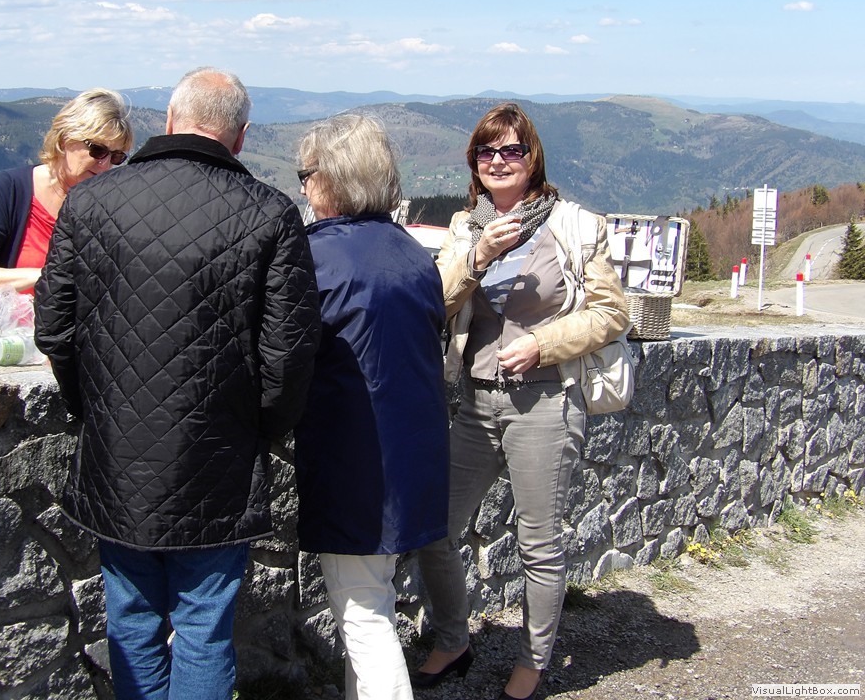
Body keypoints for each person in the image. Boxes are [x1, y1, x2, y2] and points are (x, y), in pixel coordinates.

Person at [32, 67, 321, 700]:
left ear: (167, 120)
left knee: (131, 620)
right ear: (240, 136)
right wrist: (259, 428)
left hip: (117, 455)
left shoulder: (90, 202)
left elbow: (53, 327)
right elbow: (290, 353)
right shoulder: (270, 214)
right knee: (203, 631)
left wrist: (95, 409)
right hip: (218, 457)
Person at [412, 102, 630, 700]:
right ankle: (453, 641)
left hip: (547, 402)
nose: (498, 160)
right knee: (435, 529)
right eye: (486, 151)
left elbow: (612, 313)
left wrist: (543, 344)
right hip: (475, 402)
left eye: (512, 149)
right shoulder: (466, 228)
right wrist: (477, 257)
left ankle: (532, 664)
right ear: (473, 162)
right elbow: (435, 303)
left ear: (533, 158)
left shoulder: (574, 225)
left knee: (540, 545)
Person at [292, 114, 449, 700]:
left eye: (306, 174)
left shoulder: (317, 257)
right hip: (413, 458)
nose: (303, 187)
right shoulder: (411, 252)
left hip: (355, 464)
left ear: (332, 178)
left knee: (363, 614)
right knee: (372, 597)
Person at [0, 88, 133, 350]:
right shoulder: (10, 189)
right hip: (1, 351)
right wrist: (49, 277)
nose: (105, 165)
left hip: (68, 355)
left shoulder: (109, 206)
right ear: (65, 139)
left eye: (116, 157)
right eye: (97, 150)